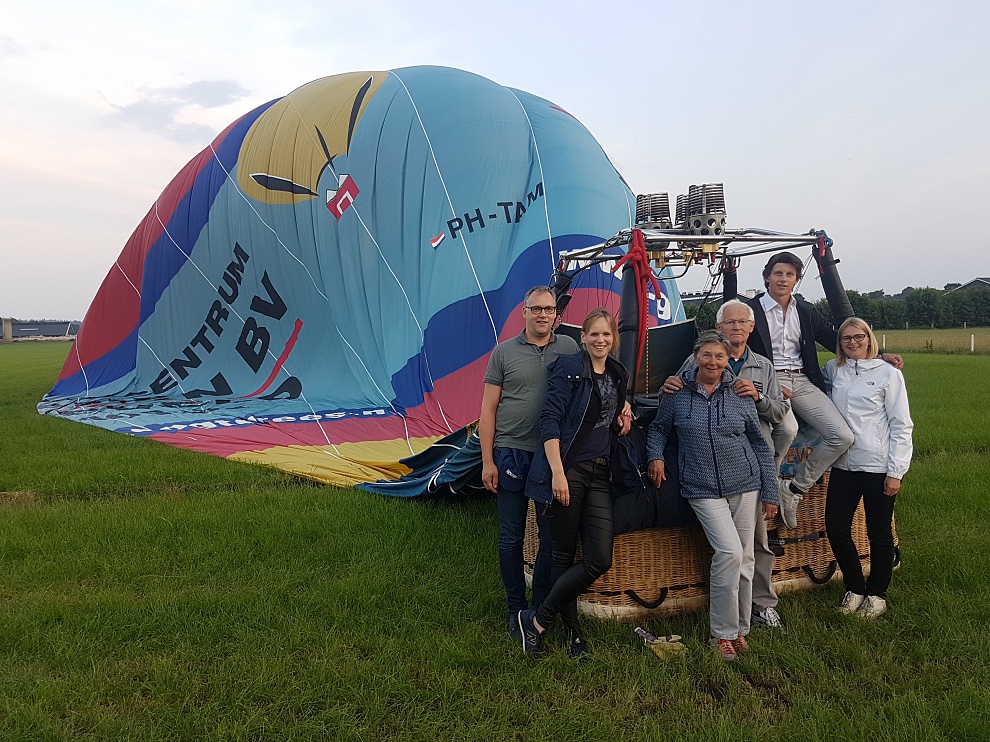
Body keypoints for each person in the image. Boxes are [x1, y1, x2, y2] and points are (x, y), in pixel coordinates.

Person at [647, 330, 779, 661]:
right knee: (729, 552)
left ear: (727, 360)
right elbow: (659, 429)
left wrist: (771, 491)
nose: (713, 361)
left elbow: (760, 444)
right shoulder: (677, 393)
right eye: (706, 355)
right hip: (701, 487)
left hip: (745, 483)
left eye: (719, 356)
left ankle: (742, 630)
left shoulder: (739, 393)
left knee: (745, 558)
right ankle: (721, 634)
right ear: (695, 358)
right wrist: (655, 456)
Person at [746, 252, 903, 529]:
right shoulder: (751, 310)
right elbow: (735, 345)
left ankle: (793, 489)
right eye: (778, 273)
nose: (783, 279)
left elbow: (834, 339)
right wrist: (766, 383)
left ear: (796, 280)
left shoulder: (805, 311)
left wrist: (881, 356)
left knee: (841, 436)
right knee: (788, 430)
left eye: (789, 274)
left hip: (801, 379)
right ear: (767, 277)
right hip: (769, 380)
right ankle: (769, 491)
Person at [662, 299, 790, 629]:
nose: (736, 327)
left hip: (749, 467)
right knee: (734, 551)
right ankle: (728, 627)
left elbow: (778, 416)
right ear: (718, 328)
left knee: (753, 548)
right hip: (705, 475)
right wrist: (668, 386)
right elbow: (676, 396)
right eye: (729, 322)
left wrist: (758, 397)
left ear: (751, 327)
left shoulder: (761, 368)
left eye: (742, 322)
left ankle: (756, 610)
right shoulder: (693, 366)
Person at [517, 308, 630, 658]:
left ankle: (537, 620)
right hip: (568, 470)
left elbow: (608, 409)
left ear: (614, 339)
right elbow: (549, 420)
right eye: (594, 334)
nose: (600, 340)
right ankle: (573, 634)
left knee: (599, 558)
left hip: (600, 472)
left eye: (606, 334)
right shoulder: (568, 368)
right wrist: (557, 473)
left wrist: (626, 411)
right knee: (562, 554)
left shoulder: (617, 373)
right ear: (583, 337)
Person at [480, 286, 579, 640]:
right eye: (535, 309)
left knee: (549, 538)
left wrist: (624, 404)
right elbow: (488, 409)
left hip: (550, 454)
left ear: (556, 314)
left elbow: (594, 383)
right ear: (524, 312)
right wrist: (487, 461)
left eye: (548, 309)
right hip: (511, 451)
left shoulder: (569, 347)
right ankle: (514, 608)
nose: (542, 315)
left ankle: (538, 608)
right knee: (512, 535)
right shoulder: (503, 352)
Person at [823, 317, 913, 619]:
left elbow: (901, 424)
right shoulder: (833, 370)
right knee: (836, 528)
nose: (853, 342)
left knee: (879, 532)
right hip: (843, 465)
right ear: (840, 343)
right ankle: (855, 587)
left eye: (858, 336)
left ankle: (877, 594)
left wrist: (896, 472)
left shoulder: (888, 374)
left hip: (878, 466)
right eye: (846, 338)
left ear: (869, 338)